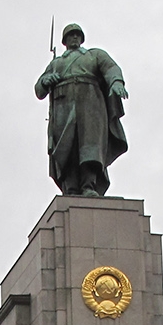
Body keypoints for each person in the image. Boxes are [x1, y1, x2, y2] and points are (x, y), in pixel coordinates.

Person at [34, 23, 128, 197]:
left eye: (77, 35)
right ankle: (71, 188)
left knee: (90, 146)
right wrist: (46, 80)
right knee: (66, 148)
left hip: (91, 102)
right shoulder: (57, 63)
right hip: (64, 104)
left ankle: (88, 186)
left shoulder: (94, 55)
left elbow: (111, 68)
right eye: (71, 35)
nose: (75, 38)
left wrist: (116, 81)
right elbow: (39, 90)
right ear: (65, 41)